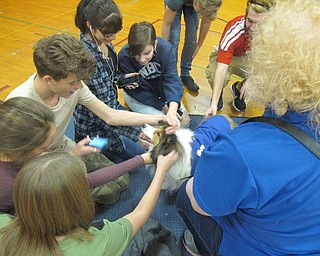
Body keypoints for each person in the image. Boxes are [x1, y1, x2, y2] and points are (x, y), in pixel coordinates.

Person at [176, 0, 320, 255]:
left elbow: (199, 199)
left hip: (254, 246)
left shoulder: (243, 150)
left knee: (184, 194)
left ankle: (198, 243)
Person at [5, 34, 178, 205]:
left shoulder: (74, 86)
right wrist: (70, 156)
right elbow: (21, 162)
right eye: (73, 82)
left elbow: (110, 115)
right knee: (107, 193)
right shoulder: (21, 106)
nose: (80, 86)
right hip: (39, 165)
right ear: (49, 80)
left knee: (121, 180)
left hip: (66, 148)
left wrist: (161, 118)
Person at [0, 150, 178, 255]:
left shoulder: (3, 223)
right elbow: (140, 214)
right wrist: (161, 170)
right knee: (151, 230)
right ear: (79, 201)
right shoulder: (97, 244)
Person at [0, 97, 155, 214]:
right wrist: (141, 159)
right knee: (111, 192)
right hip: (34, 209)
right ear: (24, 149)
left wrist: (73, 154)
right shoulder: (13, 185)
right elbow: (88, 182)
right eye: (45, 147)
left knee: (120, 180)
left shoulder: (14, 148)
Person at [75, 0, 145, 164]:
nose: (113, 38)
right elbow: (106, 115)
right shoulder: (87, 60)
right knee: (136, 159)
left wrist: (121, 80)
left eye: (115, 32)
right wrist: (138, 133)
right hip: (94, 128)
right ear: (90, 26)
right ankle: (93, 150)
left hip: (111, 109)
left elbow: (108, 77)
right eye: (108, 35)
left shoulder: (101, 41)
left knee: (141, 145)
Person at [205, 0, 275, 116]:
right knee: (214, 74)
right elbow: (221, 68)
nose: (253, 28)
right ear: (246, 15)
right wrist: (213, 103)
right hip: (230, 58)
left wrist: (251, 80)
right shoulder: (234, 31)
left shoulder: (270, 33)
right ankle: (218, 94)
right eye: (250, 21)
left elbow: (267, 61)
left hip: (250, 59)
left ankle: (239, 88)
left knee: (265, 76)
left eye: (258, 23)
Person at [118, 21, 190, 128]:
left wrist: (172, 108)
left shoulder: (165, 49)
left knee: (184, 121)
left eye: (147, 53)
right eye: (136, 55)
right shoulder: (124, 56)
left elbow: (172, 80)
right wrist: (161, 106)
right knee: (164, 126)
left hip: (162, 93)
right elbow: (136, 91)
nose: (142, 59)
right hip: (140, 96)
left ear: (155, 44)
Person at [161, 0, 222, 92]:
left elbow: (207, 20)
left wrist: (199, 44)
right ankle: (171, 75)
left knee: (191, 37)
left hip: (193, 3)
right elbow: (166, 23)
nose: (201, 15)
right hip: (177, 2)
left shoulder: (212, 2)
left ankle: (185, 73)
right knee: (173, 37)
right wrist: (163, 47)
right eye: (200, 12)